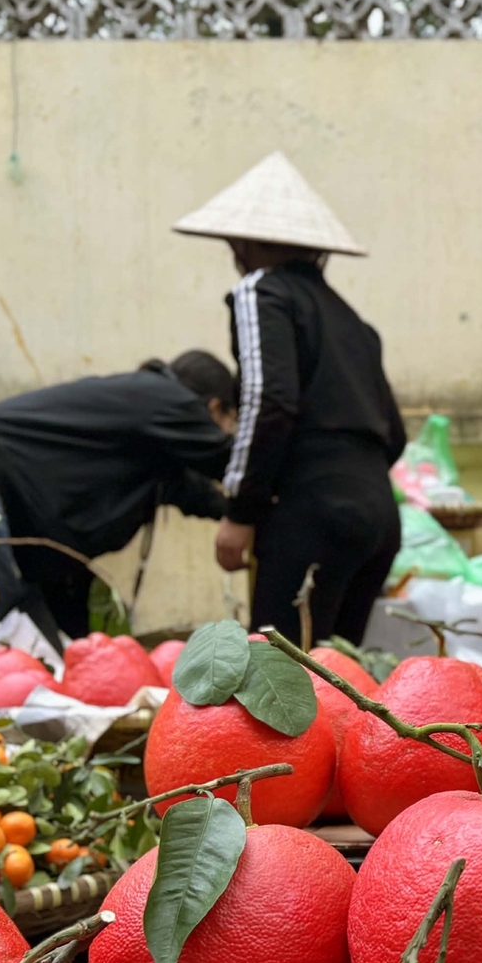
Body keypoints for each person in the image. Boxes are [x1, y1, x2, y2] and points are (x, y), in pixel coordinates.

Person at [173, 151, 406, 643]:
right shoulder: (353, 322)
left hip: (313, 510)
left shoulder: (261, 292)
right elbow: (396, 436)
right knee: (339, 671)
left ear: (244, 243)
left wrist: (241, 510)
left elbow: (268, 400)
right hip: (379, 517)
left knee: (278, 672)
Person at [0, 353, 237, 644]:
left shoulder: (143, 431)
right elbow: (233, 461)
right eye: (232, 422)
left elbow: (193, 492)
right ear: (213, 408)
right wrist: (255, 501)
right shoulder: (167, 396)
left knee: (26, 658)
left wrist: (242, 517)